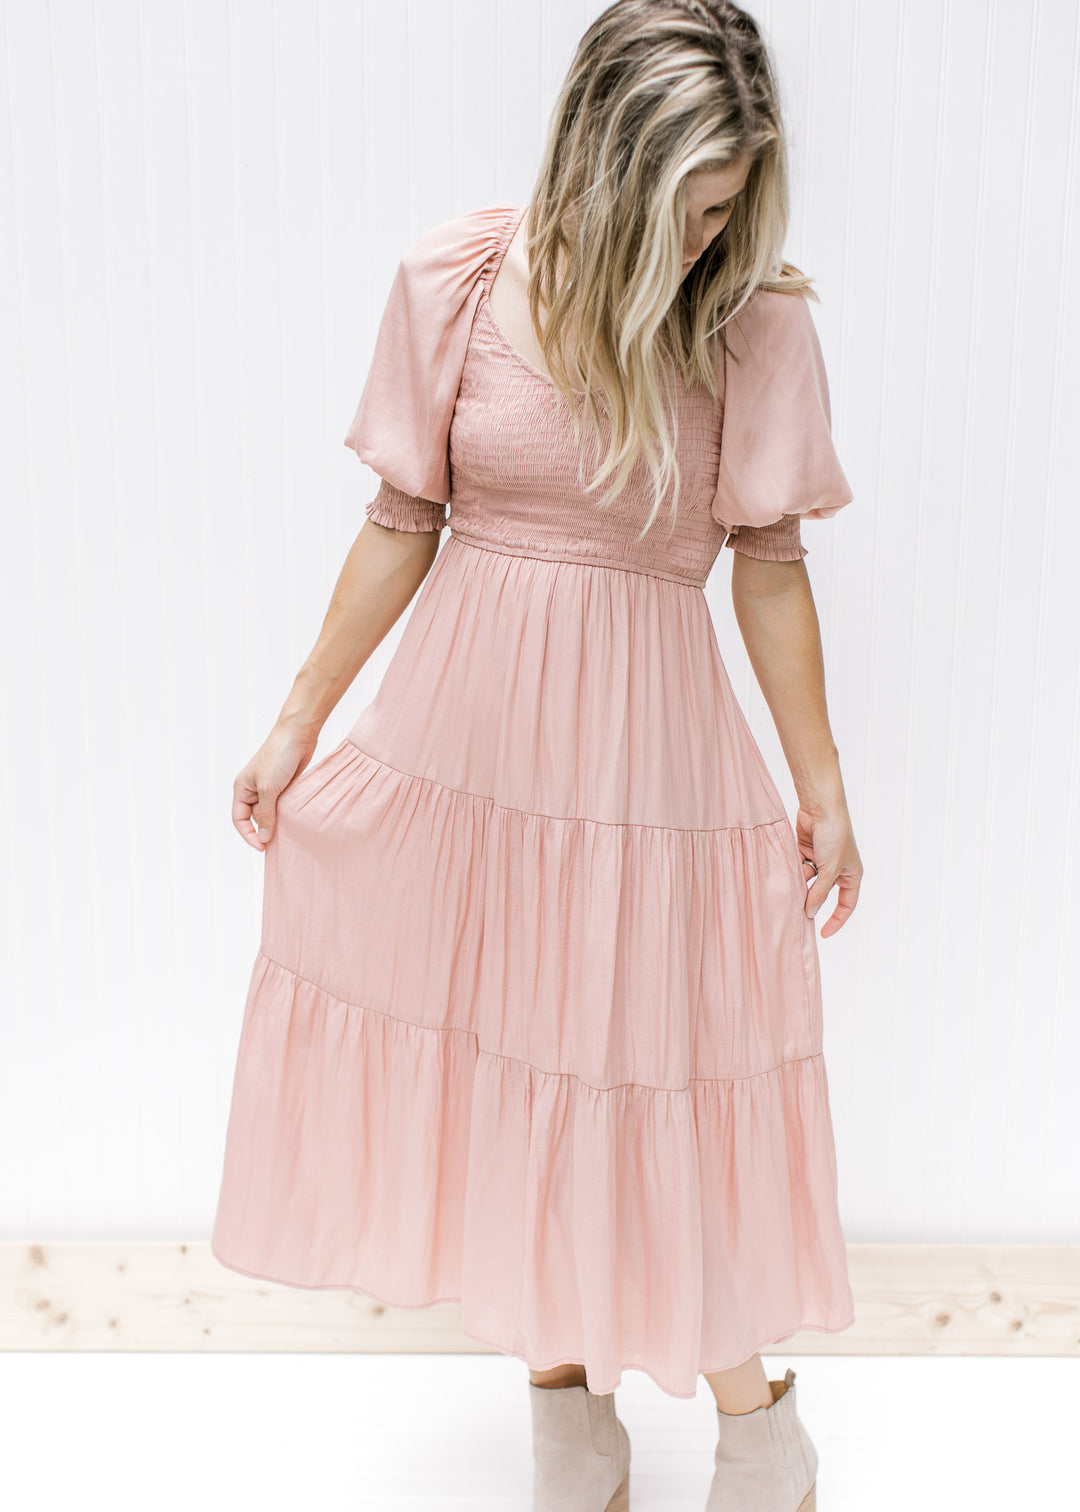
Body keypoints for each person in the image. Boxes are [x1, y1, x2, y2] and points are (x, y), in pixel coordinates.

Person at [211, 1, 863, 1507]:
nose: (705, 242)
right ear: (601, 160)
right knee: (511, 1072)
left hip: (646, 773)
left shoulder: (750, 323)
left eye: (727, 209)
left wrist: (824, 790)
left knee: (649, 1084)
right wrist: (297, 721)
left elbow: (770, 569)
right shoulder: (457, 280)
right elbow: (403, 521)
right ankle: (569, 1426)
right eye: (683, 207)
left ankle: (759, 1427)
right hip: (470, 760)